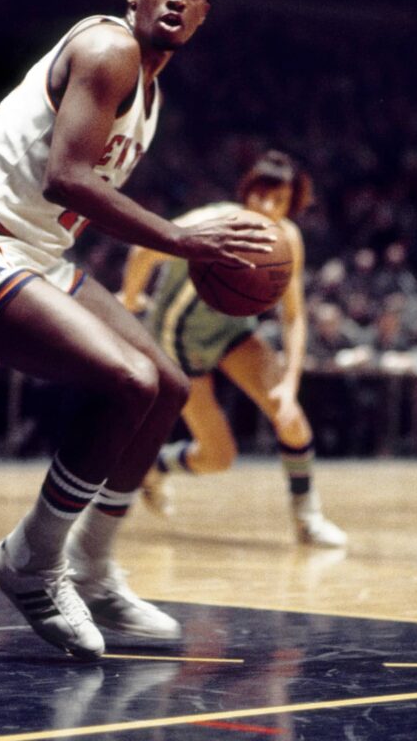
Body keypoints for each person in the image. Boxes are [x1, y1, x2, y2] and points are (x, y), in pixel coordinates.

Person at [0, 0, 276, 660]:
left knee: (166, 386)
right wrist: (181, 241)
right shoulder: (108, 49)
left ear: (204, 14)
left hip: (34, 253)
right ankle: (32, 559)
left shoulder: (151, 94)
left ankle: (93, 568)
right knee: (126, 380)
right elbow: (67, 179)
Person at [121, 150, 348, 548]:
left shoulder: (287, 239)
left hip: (231, 333)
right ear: (246, 193)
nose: (267, 207)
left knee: (290, 418)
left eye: (278, 200)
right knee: (218, 458)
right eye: (260, 195)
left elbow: (294, 317)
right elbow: (142, 252)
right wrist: (129, 301)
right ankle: (154, 467)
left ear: (291, 204)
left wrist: (290, 384)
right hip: (179, 340)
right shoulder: (211, 222)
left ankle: (307, 520)